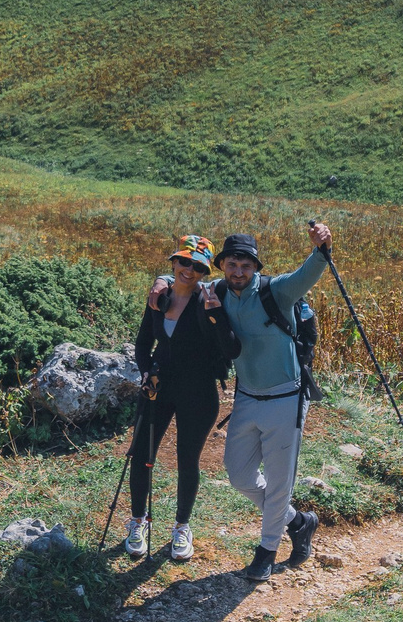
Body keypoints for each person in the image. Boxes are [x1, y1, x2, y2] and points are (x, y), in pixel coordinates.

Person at [162, 220, 333, 582]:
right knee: (239, 474)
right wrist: (161, 283)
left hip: (286, 397)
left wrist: (322, 247)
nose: (238, 271)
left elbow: (310, 271)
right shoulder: (216, 291)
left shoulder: (278, 292)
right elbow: (183, 281)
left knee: (278, 479)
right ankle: (299, 521)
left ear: (256, 267)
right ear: (223, 265)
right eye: (232, 264)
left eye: (246, 265)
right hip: (247, 398)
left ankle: (266, 551)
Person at [125, 234, 236, 562]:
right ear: (173, 262)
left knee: (188, 461)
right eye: (183, 262)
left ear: (205, 270)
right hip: (157, 389)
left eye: (198, 265)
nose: (189, 270)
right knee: (142, 455)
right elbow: (143, 344)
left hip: (199, 392)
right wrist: (146, 372)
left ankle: (181, 527)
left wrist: (215, 316)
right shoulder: (159, 298)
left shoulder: (212, 297)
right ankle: (137, 521)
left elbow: (230, 347)